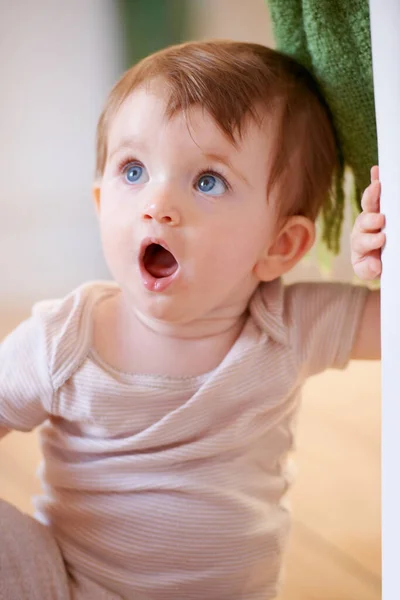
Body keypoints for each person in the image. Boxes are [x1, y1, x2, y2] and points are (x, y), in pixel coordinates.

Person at [0, 40, 381, 600]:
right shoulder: (64, 339)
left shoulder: (287, 328)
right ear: (103, 203)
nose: (156, 203)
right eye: (134, 170)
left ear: (281, 244)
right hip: (66, 585)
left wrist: (384, 261)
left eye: (208, 180)